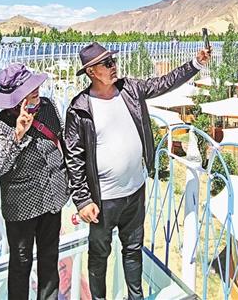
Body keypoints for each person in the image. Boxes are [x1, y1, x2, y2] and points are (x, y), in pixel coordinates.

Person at [64, 42, 210, 300]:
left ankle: (136, 297)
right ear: (91, 72)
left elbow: (164, 83)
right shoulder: (80, 107)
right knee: (99, 255)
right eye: (107, 63)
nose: (114, 66)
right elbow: (73, 157)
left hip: (135, 190)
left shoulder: (130, 89)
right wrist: (83, 200)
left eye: (113, 61)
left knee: (133, 250)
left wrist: (195, 63)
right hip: (103, 199)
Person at [0, 63, 69, 300]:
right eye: (29, 91)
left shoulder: (47, 107)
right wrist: (18, 135)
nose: (36, 92)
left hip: (52, 197)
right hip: (22, 206)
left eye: (35, 88)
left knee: (50, 258)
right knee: (21, 263)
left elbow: (61, 137)